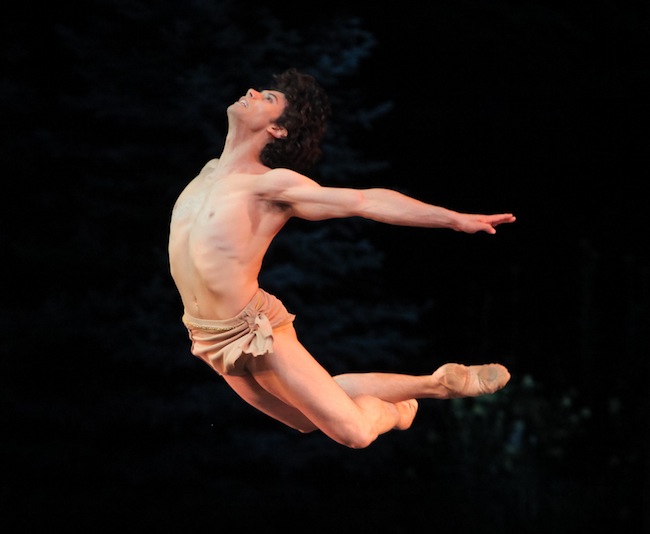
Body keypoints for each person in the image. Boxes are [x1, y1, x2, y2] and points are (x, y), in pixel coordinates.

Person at [169, 69, 516, 449]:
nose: (251, 91)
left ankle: (401, 409)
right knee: (305, 420)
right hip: (205, 334)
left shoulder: (271, 186)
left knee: (355, 433)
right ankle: (436, 382)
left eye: (268, 98)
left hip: (254, 331)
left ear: (278, 130)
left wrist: (454, 219)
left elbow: (365, 201)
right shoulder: (207, 174)